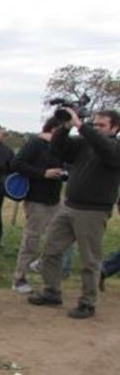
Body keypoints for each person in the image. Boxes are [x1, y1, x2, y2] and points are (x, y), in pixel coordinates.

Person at [28, 109, 120, 318]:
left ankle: (88, 303)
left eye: (102, 125)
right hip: (69, 206)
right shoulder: (84, 143)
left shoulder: (114, 147)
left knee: (90, 260)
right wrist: (65, 127)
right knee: (51, 249)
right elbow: (59, 148)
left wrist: (82, 126)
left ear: (115, 128)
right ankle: (52, 292)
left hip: (94, 211)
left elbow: (106, 150)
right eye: (94, 124)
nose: (96, 128)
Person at [9, 115, 66, 293]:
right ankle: (19, 278)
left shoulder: (60, 146)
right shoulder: (35, 143)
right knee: (32, 240)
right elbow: (16, 164)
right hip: (37, 199)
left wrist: (64, 173)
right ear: (53, 129)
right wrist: (43, 173)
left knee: (62, 235)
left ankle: (42, 264)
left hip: (56, 199)